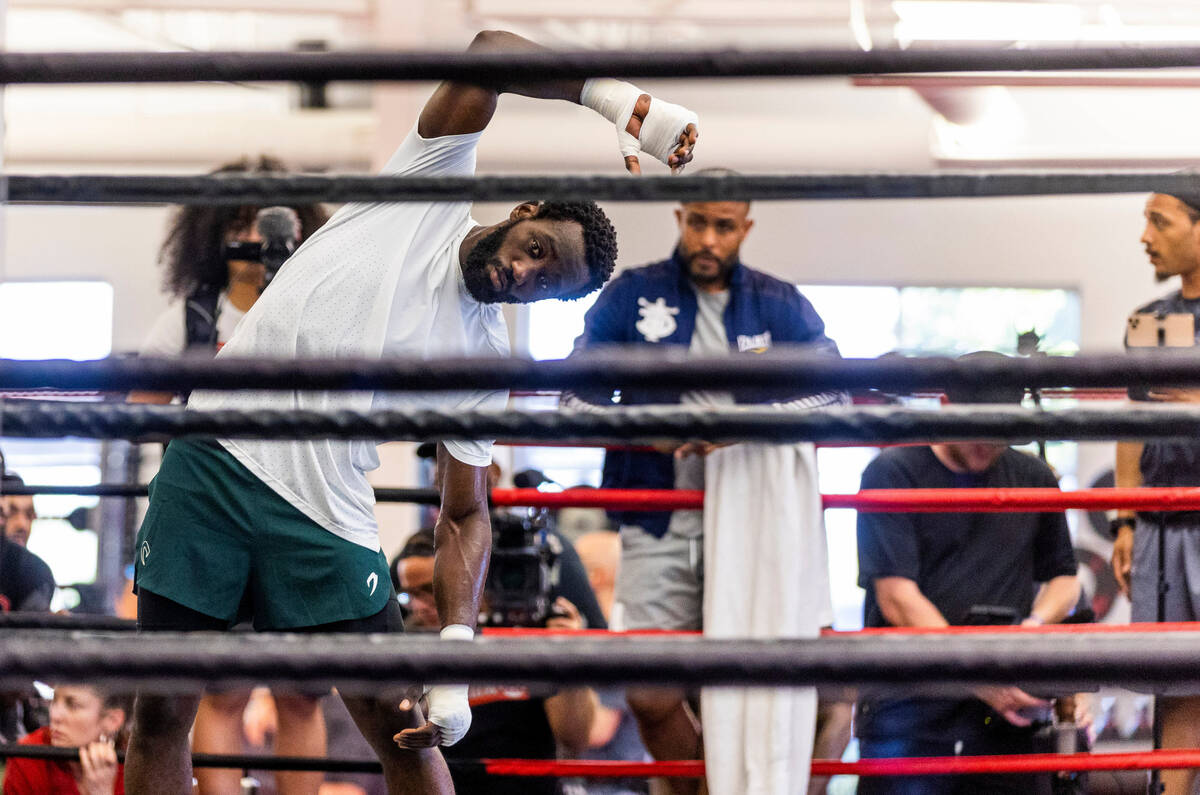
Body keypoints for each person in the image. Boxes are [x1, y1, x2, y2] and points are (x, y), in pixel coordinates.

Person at [125, 28, 697, 795]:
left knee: (405, 731)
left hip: (328, 519)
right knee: (161, 712)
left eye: (544, 285)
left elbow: (465, 513)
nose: (521, 274)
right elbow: (490, 47)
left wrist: (458, 648)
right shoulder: (427, 183)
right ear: (522, 211)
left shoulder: (484, 362)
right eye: (534, 249)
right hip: (215, 461)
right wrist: (622, 104)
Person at [561, 170, 842, 795]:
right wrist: (642, 429)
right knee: (651, 691)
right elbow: (573, 400)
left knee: (766, 689)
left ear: (745, 228)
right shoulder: (632, 295)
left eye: (723, 226)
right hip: (659, 516)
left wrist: (749, 424)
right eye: (697, 223)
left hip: (758, 521)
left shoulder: (779, 302)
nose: (708, 239)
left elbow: (833, 390)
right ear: (679, 217)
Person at [132, 159, 331, 795]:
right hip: (210, 518)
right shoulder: (188, 321)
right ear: (214, 232)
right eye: (240, 221)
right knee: (222, 689)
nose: (256, 237)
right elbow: (138, 415)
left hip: (301, 511)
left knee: (302, 694)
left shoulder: (319, 314)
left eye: (269, 221)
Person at [855, 360, 1080, 795]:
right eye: (977, 428)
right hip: (912, 703)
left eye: (999, 433)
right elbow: (896, 597)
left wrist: (1033, 630)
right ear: (945, 406)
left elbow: (1064, 578)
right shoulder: (892, 472)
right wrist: (975, 675)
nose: (987, 445)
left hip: (1007, 705)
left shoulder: (1032, 476)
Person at [1110, 187, 1200, 795]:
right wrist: (1123, 519)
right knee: (1177, 684)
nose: (1145, 236)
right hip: (1164, 523)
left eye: (1159, 222)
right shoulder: (1153, 320)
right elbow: (1130, 426)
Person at [393, 529, 599, 795]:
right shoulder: (410, 643)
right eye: (410, 595)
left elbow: (575, 739)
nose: (419, 607)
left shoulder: (528, 634)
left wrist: (569, 661)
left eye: (430, 591)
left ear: (472, 585)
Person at [2, 684, 131, 795]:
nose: (54, 715)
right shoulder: (27, 756)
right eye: (54, 700)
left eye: (73, 706)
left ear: (112, 720)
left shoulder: (135, 764)